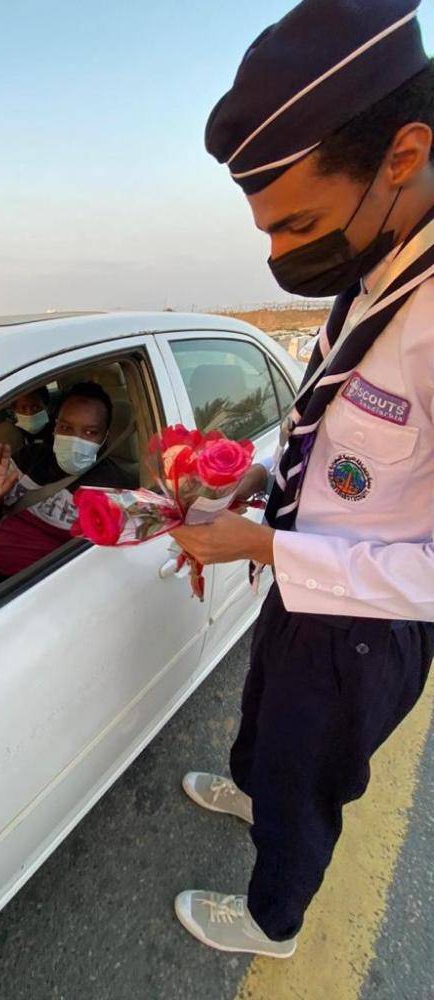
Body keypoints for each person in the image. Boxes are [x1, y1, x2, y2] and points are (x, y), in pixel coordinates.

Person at [168, 0, 434, 959]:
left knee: (307, 774)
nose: (284, 256)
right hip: (300, 579)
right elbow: (336, 431)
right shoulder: (377, 269)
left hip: (364, 626)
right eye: (269, 234)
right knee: (265, 723)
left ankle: (273, 919)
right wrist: (259, 485)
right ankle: (257, 792)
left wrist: (271, 547)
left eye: (301, 224)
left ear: (403, 155)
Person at [0, 382, 131, 577]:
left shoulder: (114, 490)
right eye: (66, 427)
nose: (75, 440)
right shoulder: (30, 458)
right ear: (55, 427)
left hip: (32, 587)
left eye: (90, 432)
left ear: (105, 437)